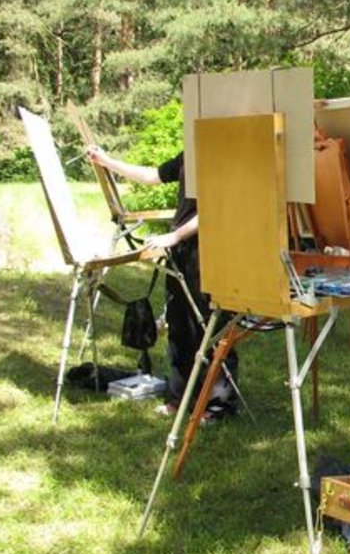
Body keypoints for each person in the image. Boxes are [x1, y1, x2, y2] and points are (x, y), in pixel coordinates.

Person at [86, 147, 239, 423]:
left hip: (209, 251)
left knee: (210, 326)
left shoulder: (222, 151)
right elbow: (151, 175)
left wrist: (175, 236)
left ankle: (219, 405)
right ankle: (180, 398)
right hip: (181, 252)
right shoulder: (188, 155)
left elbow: (217, 206)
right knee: (179, 326)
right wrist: (107, 161)